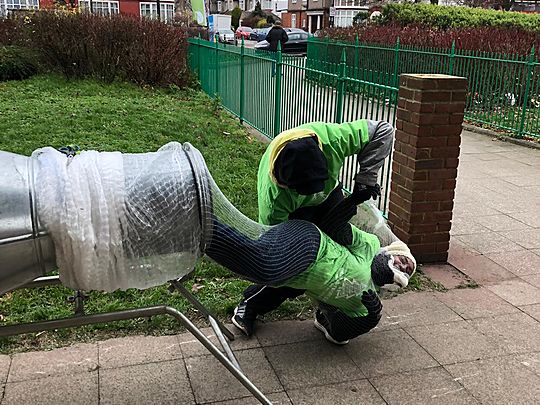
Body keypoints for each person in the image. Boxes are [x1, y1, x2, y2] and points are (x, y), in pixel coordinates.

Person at [232, 119, 395, 337]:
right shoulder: (273, 200)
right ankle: (250, 304)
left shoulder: (334, 139)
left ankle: (328, 311)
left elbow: (383, 131)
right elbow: (276, 253)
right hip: (295, 214)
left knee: (341, 252)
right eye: (304, 190)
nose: (311, 195)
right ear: (283, 183)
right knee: (300, 267)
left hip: (329, 196)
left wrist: (366, 178)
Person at [206, 213, 416, 344]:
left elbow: (338, 336)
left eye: (408, 270)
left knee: (278, 277)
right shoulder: (370, 246)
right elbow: (337, 228)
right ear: (391, 251)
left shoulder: (366, 303)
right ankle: (208, 227)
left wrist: (368, 320)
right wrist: (348, 205)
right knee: (267, 267)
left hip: (303, 276)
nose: (404, 266)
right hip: (310, 243)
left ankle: (205, 234)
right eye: (405, 260)